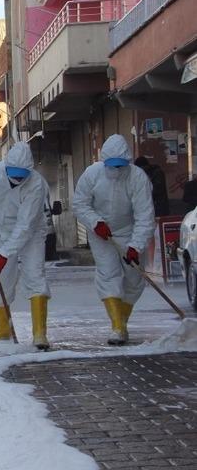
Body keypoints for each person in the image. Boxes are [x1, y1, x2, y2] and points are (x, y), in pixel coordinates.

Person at [0, 142, 51, 350]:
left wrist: (4, 256)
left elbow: (25, 226)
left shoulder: (37, 185)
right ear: (6, 167)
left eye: (21, 174)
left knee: (35, 276)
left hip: (31, 232)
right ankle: (3, 327)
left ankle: (39, 334)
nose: (16, 178)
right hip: (0, 229)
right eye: (12, 173)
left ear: (29, 171)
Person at [73, 134, 155, 345]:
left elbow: (144, 215)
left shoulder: (138, 178)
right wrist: (95, 222)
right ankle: (117, 327)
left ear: (127, 162)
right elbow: (80, 204)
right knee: (108, 274)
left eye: (120, 165)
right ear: (104, 161)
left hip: (129, 231)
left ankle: (122, 321)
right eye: (112, 165)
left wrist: (136, 246)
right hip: (101, 233)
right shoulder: (92, 174)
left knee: (134, 278)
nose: (116, 170)